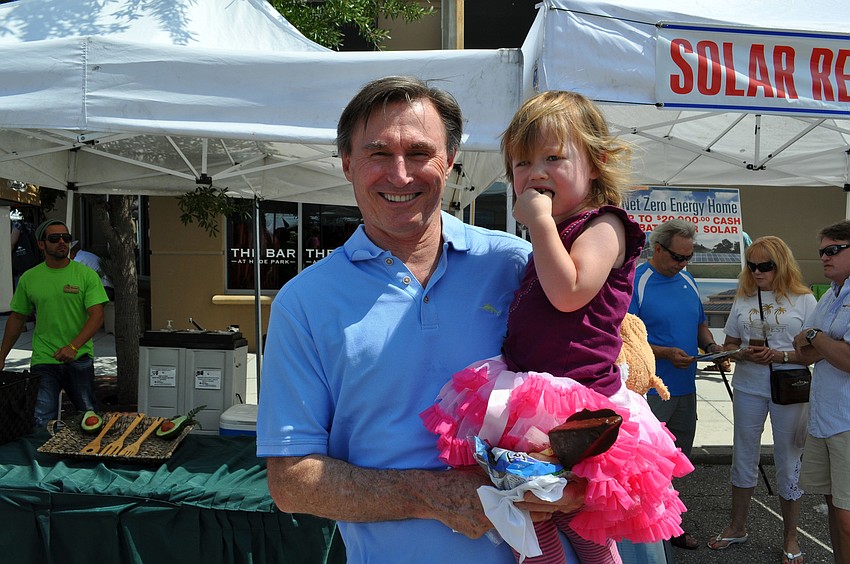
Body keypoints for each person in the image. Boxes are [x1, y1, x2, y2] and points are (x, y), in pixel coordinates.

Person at [255, 76, 585, 564]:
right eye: (378, 154)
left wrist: (580, 477)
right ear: (348, 164)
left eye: (419, 153)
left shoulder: (522, 267)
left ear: (449, 162)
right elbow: (292, 482)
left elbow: (599, 393)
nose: (401, 174)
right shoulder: (304, 304)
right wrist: (430, 495)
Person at [422, 91, 693, 563]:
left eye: (553, 157)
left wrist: (541, 225)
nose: (536, 172)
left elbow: (570, 292)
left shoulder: (605, 224)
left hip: (579, 401)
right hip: (535, 395)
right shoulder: (558, 232)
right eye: (522, 163)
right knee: (530, 513)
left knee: (583, 524)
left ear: (597, 162)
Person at [707, 236, 815, 564]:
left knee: (788, 460)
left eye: (764, 265)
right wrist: (730, 354)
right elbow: (731, 342)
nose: (756, 272)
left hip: (790, 387)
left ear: (780, 265)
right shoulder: (743, 296)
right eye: (751, 265)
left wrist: (779, 356)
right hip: (749, 386)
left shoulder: (804, 300)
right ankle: (737, 526)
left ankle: (791, 536)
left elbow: (812, 352)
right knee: (743, 455)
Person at [628, 218, 729, 551]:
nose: (683, 264)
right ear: (657, 249)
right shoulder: (637, 281)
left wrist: (711, 348)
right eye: (677, 257)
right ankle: (642, 530)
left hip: (687, 387)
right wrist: (666, 353)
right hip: (650, 389)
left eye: (688, 258)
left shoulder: (687, 278)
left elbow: (700, 324)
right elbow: (624, 337)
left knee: (678, 461)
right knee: (646, 463)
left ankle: (671, 525)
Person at [0, 219, 109, 427]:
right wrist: (2, 355)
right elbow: (17, 318)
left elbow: (97, 316)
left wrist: (73, 346)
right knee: (41, 421)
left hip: (79, 358)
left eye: (66, 238)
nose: (62, 242)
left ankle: (88, 457)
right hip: (44, 359)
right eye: (54, 238)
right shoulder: (29, 278)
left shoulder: (85, 275)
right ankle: (42, 460)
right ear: (41, 244)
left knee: (90, 419)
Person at [793, 220, 850, 562]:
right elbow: (801, 349)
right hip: (824, 418)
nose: (824, 258)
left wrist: (817, 338)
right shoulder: (831, 293)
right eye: (822, 252)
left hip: (846, 421)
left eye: (833, 250)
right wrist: (825, 342)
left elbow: (845, 359)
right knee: (833, 504)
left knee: (847, 515)